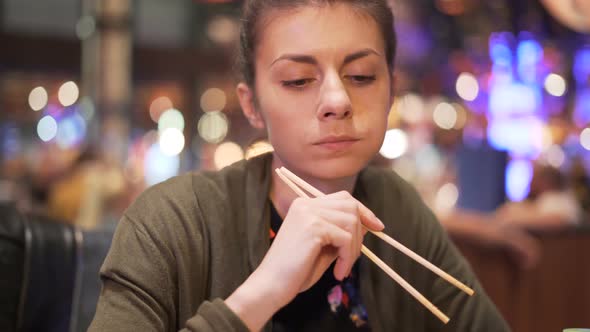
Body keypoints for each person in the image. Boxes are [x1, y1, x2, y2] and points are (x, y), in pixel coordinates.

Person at [89, 1, 509, 331]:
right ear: (251, 104)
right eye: (297, 80)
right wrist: (264, 292)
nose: (337, 101)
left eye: (361, 76)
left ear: (391, 90)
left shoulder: (396, 209)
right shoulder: (174, 221)